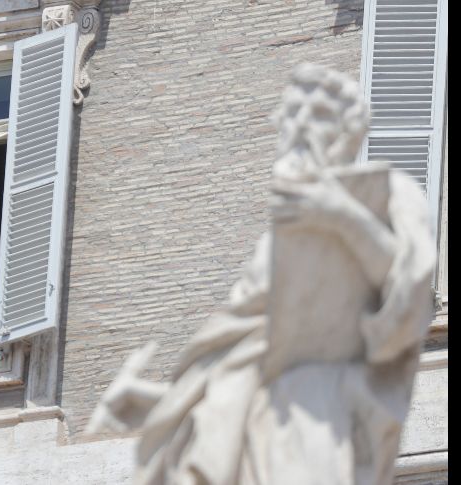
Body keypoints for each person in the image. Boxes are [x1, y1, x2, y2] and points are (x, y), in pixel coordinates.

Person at [87, 64, 436, 485]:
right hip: (260, 424)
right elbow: (235, 371)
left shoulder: (389, 195)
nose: (302, 126)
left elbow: (410, 292)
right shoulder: (273, 245)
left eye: (318, 114)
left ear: (349, 132)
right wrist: (155, 402)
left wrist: (343, 217)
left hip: (322, 407)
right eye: (294, 112)